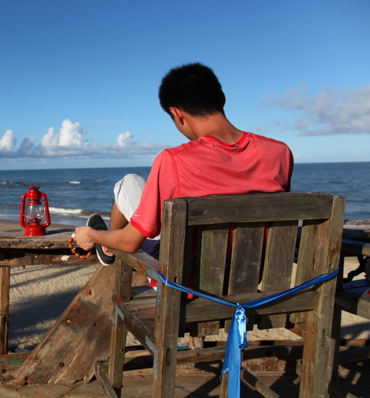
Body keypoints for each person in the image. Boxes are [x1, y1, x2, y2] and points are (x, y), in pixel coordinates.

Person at [73, 62, 293, 267]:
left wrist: (90, 235)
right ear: (222, 99)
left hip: (186, 287)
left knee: (127, 184)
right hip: (252, 276)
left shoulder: (174, 160)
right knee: (132, 185)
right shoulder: (279, 153)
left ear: (177, 114)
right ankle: (108, 242)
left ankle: (106, 244)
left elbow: (131, 243)